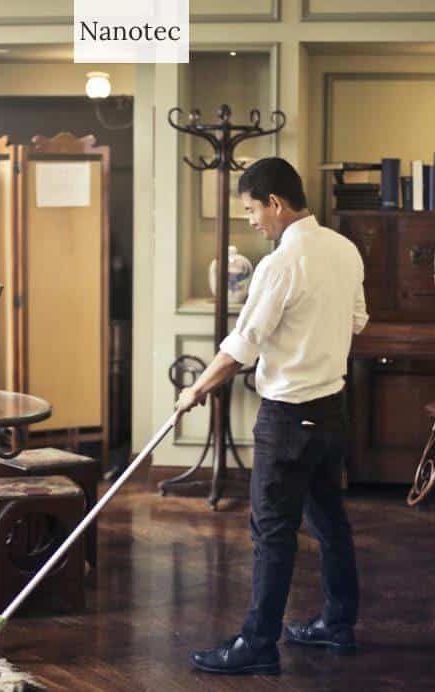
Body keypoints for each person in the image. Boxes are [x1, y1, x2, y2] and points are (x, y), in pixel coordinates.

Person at [175, 157, 368, 676]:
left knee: (272, 531)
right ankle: (338, 623)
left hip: (287, 418)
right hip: (331, 410)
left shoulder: (281, 264)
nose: (252, 220)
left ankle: (258, 645)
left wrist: (195, 388)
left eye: (251, 209)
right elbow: (356, 321)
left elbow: (243, 346)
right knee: (331, 521)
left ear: (275, 203)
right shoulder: (345, 251)